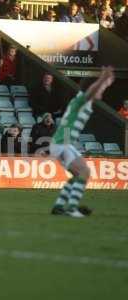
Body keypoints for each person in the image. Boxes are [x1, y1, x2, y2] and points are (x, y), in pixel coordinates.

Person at [49, 66, 115, 217]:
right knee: (85, 172)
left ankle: (59, 207)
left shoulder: (80, 100)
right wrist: (102, 79)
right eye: (100, 90)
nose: (101, 93)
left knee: (79, 174)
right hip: (62, 142)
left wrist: (105, 82)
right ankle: (72, 209)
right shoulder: (82, 99)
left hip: (61, 142)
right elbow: (91, 92)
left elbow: (92, 91)